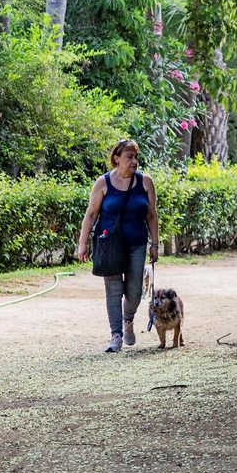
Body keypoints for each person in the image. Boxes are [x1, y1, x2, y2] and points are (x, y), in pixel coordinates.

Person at [75, 138, 159, 353]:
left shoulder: (145, 182)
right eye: (129, 157)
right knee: (113, 290)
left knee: (134, 292)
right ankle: (116, 335)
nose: (134, 161)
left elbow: (151, 215)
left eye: (136, 157)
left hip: (137, 243)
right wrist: (82, 244)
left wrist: (155, 244)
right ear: (117, 158)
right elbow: (91, 214)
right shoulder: (103, 183)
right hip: (109, 244)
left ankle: (128, 318)